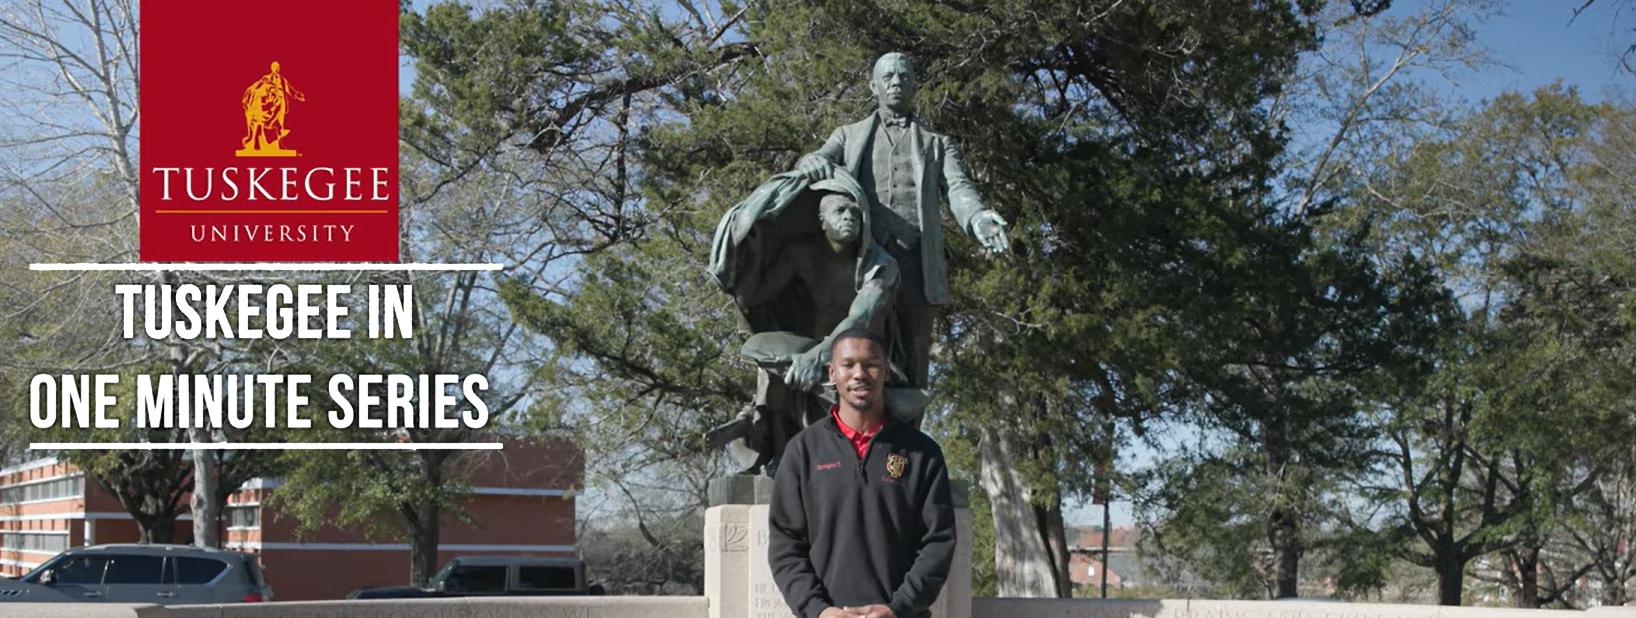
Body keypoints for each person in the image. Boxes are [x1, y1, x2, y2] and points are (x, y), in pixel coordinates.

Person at [795, 52, 1010, 391]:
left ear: (914, 85)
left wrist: (978, 216)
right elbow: (818, 159)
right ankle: (856, 436)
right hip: (867, 259)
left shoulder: (938, 144)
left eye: (904, 77)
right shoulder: (848, 135)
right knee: (858, 347)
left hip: (916, 264)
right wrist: (811, 160)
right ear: (874, 86)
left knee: (913, 365)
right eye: (889, 77)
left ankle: (905, 444)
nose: (896, 82)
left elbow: (958, 188)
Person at [706, 176, 903, 476]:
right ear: (822, 220)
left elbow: (858, 319)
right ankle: (766, 436)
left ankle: (777, 432)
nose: (849, 216)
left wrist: (819, 356)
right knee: (775, 369)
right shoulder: (801, 253)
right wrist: (755, 253)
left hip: (861, 358)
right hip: (805, 347)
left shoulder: (880, 265)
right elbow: (755, 297)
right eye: (839, 210)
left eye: (854, 211)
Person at [768, 328, 956, 618]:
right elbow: (785, 544)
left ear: (886, 372)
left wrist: (898, 608)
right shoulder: (803, 451)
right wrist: (819, 610)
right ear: (831, 373)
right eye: (848, 364)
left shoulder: (922, 452)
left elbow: (938, 542)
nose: (860, 373)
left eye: (870, 364)